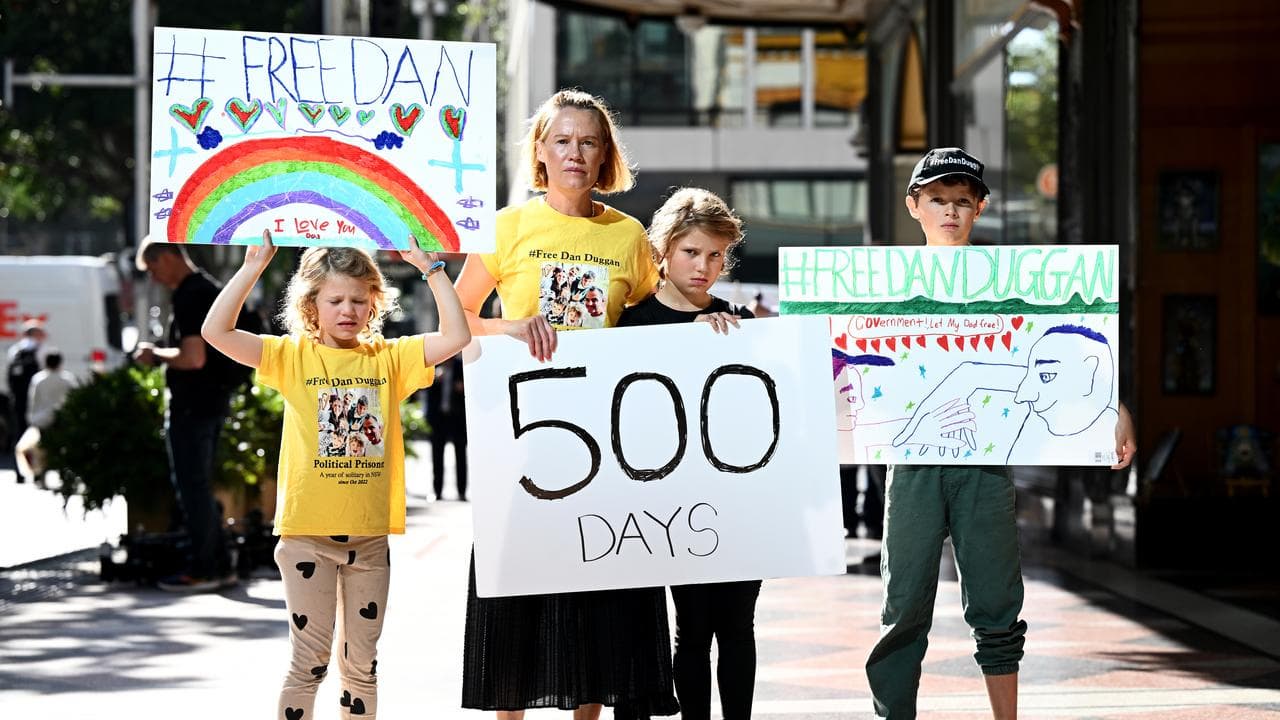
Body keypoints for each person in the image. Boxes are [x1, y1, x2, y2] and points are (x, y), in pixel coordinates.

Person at [863, 147, 1138, 719]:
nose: (950, 212)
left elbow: (1060, 348)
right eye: (937, 199)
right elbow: (837, 347)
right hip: (911, 465)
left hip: (987, 462)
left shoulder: (1010, 279)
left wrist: (1112, 405)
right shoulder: (879, 282)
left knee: (995, 602)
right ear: (913, 205)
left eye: (963, 201)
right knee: (903, 607)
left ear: (981, 207)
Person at [453, 88, 677, 720]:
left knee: (595, 603)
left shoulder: (630, 236)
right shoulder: (506, 227)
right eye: (563, 140)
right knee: (516, 599)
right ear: (541, 152)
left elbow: (659, 324)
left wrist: (723, 323)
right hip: (523, 438)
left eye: (589, 141)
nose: (576, 152)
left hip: (605, 445)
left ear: (605, 154)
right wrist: (512, 329)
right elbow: (461, 321)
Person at [202, 230, 470, 720]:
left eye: (359, 300)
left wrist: (431, 269)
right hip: (307, 536)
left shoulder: (390, 359)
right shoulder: (291, 357)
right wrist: (251, 269)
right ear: (312, 305)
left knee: (362, 667)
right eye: (335, 300)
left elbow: (457, 336)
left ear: (374, 304)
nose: (348, 310)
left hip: (369, 540)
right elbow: (215, 332)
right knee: (310, 665)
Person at [616, 187, 758, 720]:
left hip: (736, 500)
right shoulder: (632, 322)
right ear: (664, 251)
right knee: (692, 630)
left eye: (716, 255)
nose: (704, 266)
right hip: (670, 506)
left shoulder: (738, 321)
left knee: (738, 627)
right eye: (691, 252)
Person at [134, 238, 241, 591]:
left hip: (192, 406)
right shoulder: (209, 288)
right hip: (211, 403)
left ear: (167, 257)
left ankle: (206, 568)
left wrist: (155, 354)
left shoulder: (190, 295)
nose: (155, 278)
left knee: (192, 488)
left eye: (153, 269)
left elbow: (193, 357)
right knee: (199, 487)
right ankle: (219, 565)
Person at [14, 348, 78, 485]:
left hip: (42, 419)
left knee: (43, 450)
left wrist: (31, 418)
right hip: (62, 419)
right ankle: (65, 477)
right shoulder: (67, 379)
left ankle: (41, 475)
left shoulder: (39, 379)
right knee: (62, 449)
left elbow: (34, 400)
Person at [424, 353, 467, 501]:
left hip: (458, 418)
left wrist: (463, 387)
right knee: (437, 456)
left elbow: (472, 389)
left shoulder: (461, 366)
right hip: (438, 419)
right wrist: (433, 379)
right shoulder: (434, 364)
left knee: (460, 455)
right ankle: (437, 491)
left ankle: (461, 492)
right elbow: (421, 387)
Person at [6, 319, 46, 458]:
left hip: (17, 398)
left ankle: (19, 467)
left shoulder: (15, 350)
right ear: (36, 333)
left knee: (19, 431)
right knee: (36, 432)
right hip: (35, 399)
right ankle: (37, 467)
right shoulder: (40, 349)